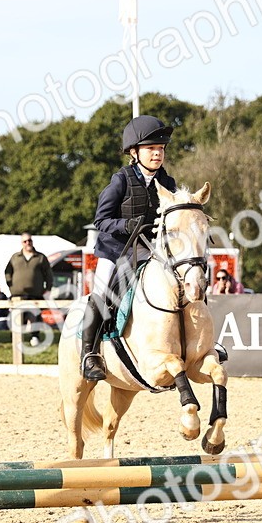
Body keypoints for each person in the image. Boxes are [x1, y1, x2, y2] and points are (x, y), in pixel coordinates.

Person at [80, 115, 178, 381]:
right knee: (102, 292)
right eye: (151, 148)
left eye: (161, 149)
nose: (157, 153)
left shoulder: (168, 183)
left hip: (149, 249)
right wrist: (126, 225)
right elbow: (101, 220)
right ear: (134, 152)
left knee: (181, 281)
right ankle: (89, 355)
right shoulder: (120, 180)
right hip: (116, 250)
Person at [6, 234, 54, 345]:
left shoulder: (40, 257)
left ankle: (35, 336)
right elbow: (8, 271)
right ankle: (17, 339)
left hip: (35, 294)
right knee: (18, 317)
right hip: (18, 294)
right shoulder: (15, 257)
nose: (28, 243)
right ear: (22, 243)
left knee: (35, 316)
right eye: (25, 241)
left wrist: (48, 288)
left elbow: (48, 274)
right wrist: (10, 285)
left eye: (30, 240)